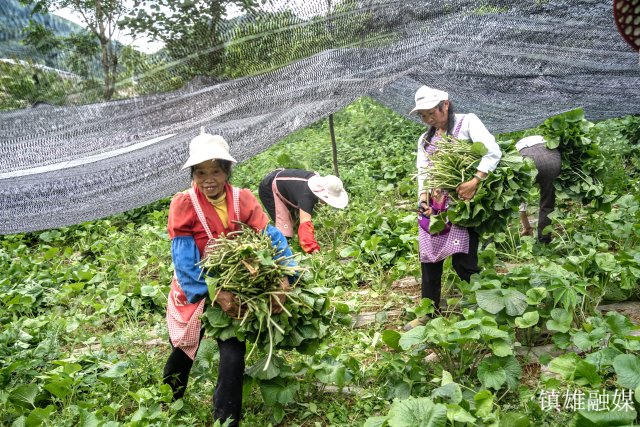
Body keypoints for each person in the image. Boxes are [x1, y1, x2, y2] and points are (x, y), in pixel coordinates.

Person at [163, 128, 294, 426]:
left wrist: (285, 275)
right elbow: (183, 259)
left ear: (227, 171)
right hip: (195, 286)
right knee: (184, 348)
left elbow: (270, 236)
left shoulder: (241, 199)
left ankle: (227, 420)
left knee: (233, 356)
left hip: (236, 286)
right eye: (200, 173)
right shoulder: (184, 203)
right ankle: (170, 401)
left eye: (215, 171)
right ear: (193, 175)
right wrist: (212, 292)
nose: (208, 179)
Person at [405, 85, 502, 330]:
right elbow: (423, 172)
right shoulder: (425, 139)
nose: (428, 119)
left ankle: (485, 306)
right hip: (435, 207)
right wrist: (423, 198)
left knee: (463, 261)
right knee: (429, 259)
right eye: (423, 116)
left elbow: (492, 151)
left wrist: (475, 180)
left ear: (445, 105)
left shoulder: (467, 123)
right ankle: (429, 310)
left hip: (463, 204)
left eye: (431, 113)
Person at [258, 169, 349, 254]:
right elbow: (305, 225)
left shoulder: (315, 183)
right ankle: (280, 250)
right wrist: (313, 250)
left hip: (283, 179)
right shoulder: (307, 196)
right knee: (285, 229)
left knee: (294, 220)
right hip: (269, 187)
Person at [516, 135, 561, 244]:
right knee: (547, 203)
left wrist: (526, 226)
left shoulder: (515, 149)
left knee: (519, 194)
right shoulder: (546, 138)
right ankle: (544, 242)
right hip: (553, 158)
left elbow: (521, 199)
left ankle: (490, 242)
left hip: (526, 157)